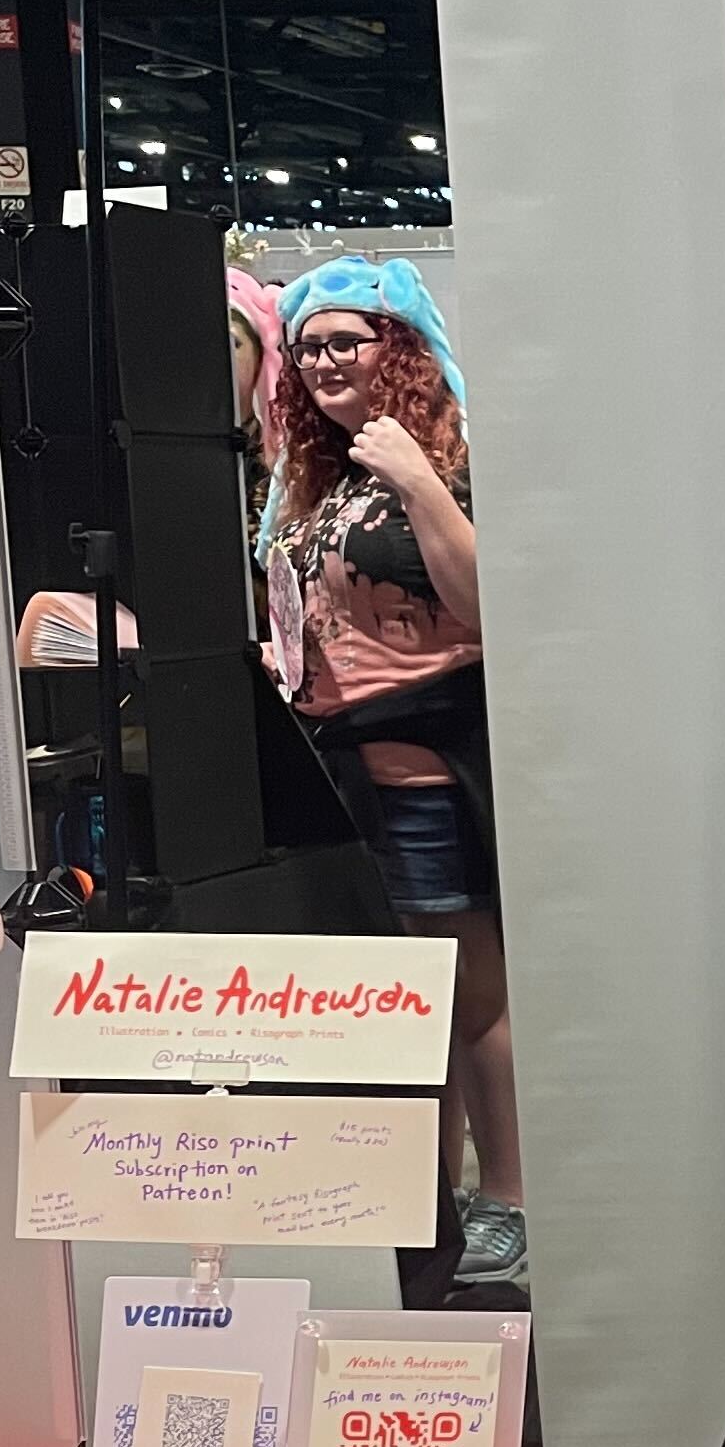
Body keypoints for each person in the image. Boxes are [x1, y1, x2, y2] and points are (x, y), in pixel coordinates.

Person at [265, 257, 523, 1289]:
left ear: (397, 346)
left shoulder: (449, 455)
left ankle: (507, 1196)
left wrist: (415, 475)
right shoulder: (315, 475)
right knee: (406, 1002)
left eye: (347, 340)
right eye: (309, 346)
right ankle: (437, 1195)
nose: (325, 362)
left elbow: (483, 607)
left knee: (471, 992)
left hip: (426, 762)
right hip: (337, 768)